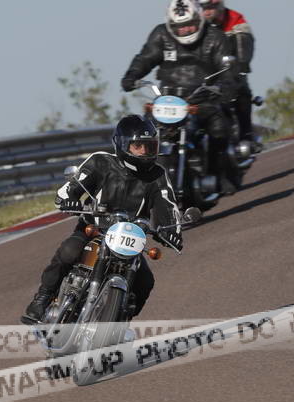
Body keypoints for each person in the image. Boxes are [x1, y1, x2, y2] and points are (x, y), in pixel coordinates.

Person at [21, 115, 183, 325]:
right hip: (93, 230)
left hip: (129, 241)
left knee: (145, 282)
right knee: (69, 251)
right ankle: (41, 300)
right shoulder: (101, 162)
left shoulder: (157, 175)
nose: (144, 151)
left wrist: (173, 230)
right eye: (138, 146)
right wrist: (69, 199)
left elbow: (168, 206)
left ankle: (119, 323)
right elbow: (68, 189)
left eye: (149, 146)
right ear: (123, 144)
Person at [119, 0, 240, 193]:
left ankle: (219, 173)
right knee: (143, 133)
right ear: (170, 25)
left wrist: (225, 85)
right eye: (179, 26)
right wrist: (132, 76)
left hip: (202, 98)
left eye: (190, 24)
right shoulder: (161, 34)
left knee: (219, 128)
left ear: (199, 20)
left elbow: (227, 69)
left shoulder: (215, 37)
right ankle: (138, 183)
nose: (185, 29)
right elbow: (145, 58)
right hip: (168, 98)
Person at [190, 0, 258, 147]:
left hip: (228, 69)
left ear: (219, 4)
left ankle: (246, 135)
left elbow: (244, 45)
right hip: (203, 74)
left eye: (210, 7)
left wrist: (240, 64)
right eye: (202, 8)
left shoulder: (235, 19)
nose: (207, 11)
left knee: (241, 88)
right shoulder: (193, 26)